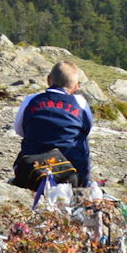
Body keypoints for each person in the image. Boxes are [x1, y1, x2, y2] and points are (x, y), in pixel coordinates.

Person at [11, 61, 94, 190]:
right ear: (75, 87)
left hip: (33, 172)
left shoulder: (31, 100)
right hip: (71, 174)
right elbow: (87, 130)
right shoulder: (80, 103)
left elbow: (19, 130)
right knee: (82, 138)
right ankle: (84, 184)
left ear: (48, 79)